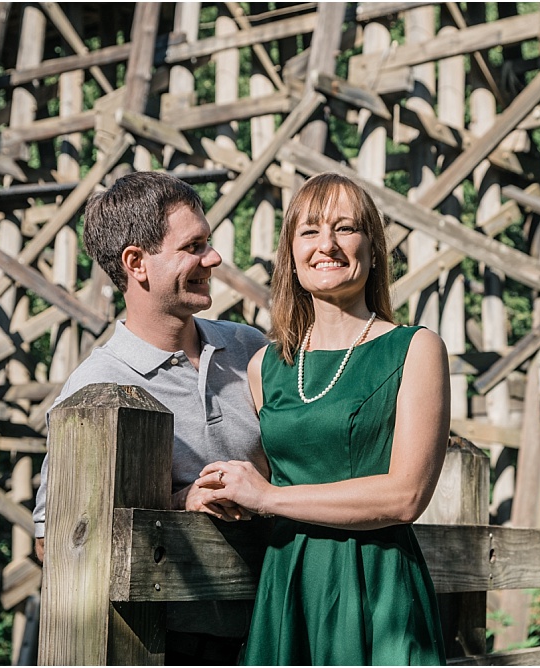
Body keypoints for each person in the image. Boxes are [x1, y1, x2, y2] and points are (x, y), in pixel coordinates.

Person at [196, 172, 451, 665]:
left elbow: (406, 496)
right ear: (290, 253)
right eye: (309, 231)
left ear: (373, 248)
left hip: (378, 585)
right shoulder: (263, 366)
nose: (326, 245)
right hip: (289, 581)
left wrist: (268, 497)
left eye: (345, 228)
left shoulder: (415, 349)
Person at [31, 170, 268, 665]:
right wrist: (181, 502)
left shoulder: (248, 348)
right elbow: (53, 542)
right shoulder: (95, 388)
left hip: (275, 629)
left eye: (209, 241)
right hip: (166, 646)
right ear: (136, 263)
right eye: (193, 246)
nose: (214, 258)